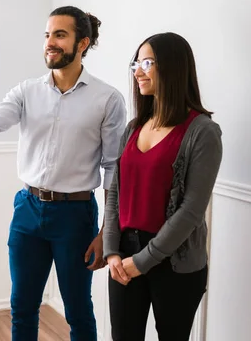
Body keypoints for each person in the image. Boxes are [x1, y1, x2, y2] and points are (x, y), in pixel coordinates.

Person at [0, 6, 127, 340]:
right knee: (22, 306)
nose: (50, 42)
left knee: (77, 309)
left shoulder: (107, 100)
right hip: (27, 211)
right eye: (48, 35)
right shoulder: (26, 91)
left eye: (60, 35)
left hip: (75, 216)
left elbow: (113, 170)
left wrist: (108, 233)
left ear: (82, 43)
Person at [102, 32, 223, 341]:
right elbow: (115, 192)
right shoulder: (134, 127)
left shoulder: (203, 132)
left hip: (176, 261)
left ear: (173, 67)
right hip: (124, 255)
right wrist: (111, 251)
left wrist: (144, 261)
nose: (138, 71)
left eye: (147, 62)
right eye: (136, 63)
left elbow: (192, 210)